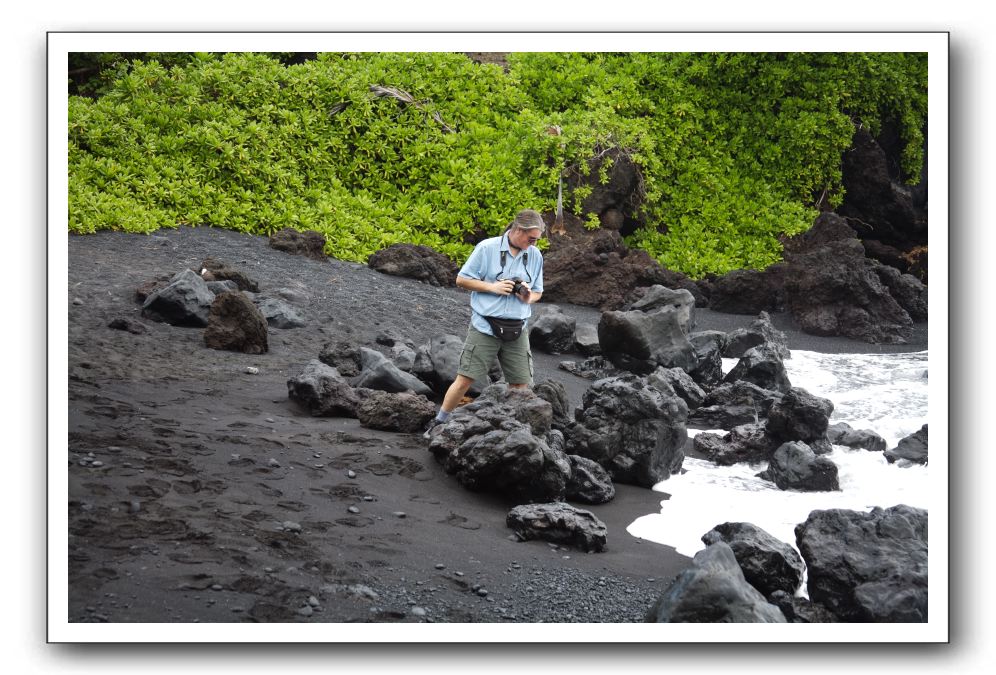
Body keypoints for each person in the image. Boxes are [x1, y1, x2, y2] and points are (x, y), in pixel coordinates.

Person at [424, 209, 545, 437]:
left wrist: (528, 296)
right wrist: (493, 287)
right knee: (464, 380)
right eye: (531, 239)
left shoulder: (535, 255)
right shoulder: (487, 248)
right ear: (518, 230)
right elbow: (461, 279)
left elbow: (538, 292)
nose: (533, 244)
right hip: (485, 326)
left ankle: (512, 431)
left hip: (518, 328)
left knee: (520, 386)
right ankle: (439, 421)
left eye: (536, 240)